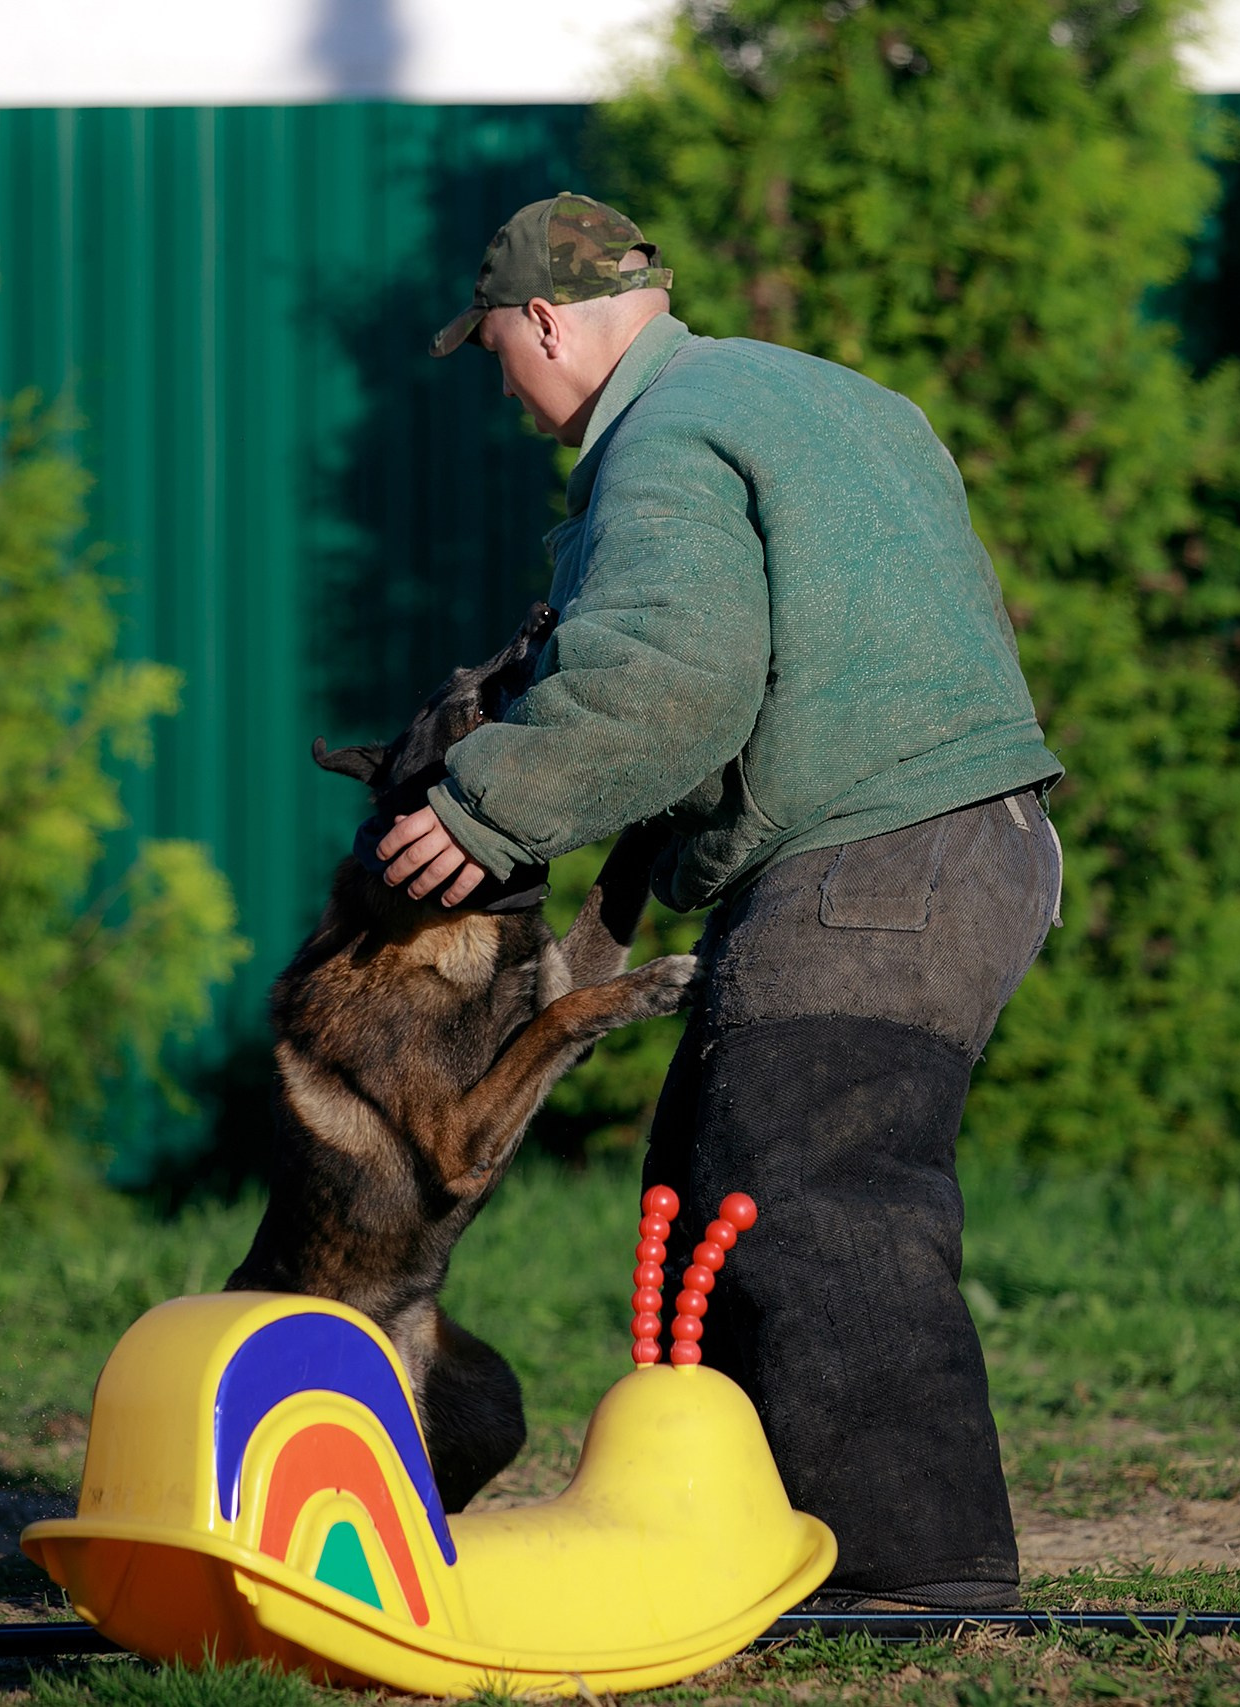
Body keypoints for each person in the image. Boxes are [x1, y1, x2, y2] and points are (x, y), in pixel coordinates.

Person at [375, 192, 1064, 1612]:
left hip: (881, 853)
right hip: (962, 840)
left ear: (546, 320)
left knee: (804, 1187)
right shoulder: (821, 396)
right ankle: (760, 1540)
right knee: (709, 1185)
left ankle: (912, 1570)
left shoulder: (660, 438)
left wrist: (488, 800)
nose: (505, 386)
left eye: (495, 346)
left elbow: (672, 682)